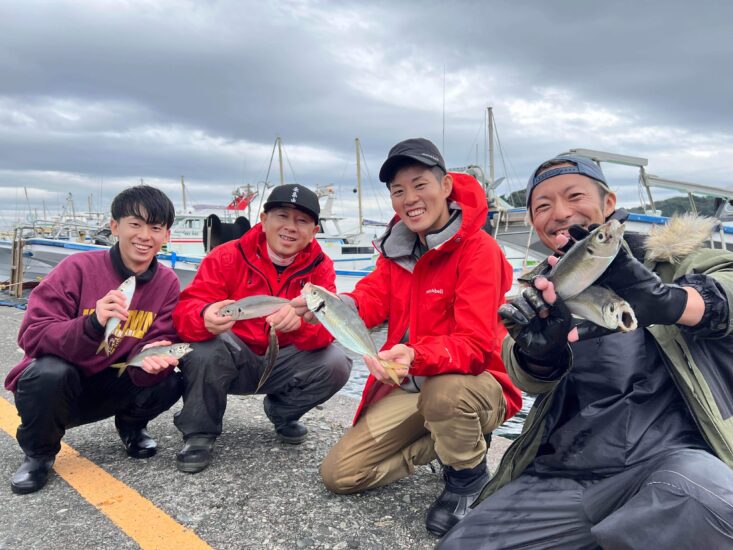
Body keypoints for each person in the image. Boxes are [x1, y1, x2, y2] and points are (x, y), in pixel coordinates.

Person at [439, 155, 733, 548]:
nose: (560, 213)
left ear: (609, 204)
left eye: (574, 196)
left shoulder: (677, 264)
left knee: (705, 500)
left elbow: (726, 290)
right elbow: (522, 371)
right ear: (532, 223)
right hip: (565, 472)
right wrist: (539, 352)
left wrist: (670, 302)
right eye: (542, 206)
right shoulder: (537, 290)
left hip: (668, 462)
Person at [295, 138, 522, 537]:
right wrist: (327, 306)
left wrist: (413, 356)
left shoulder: (479, 250)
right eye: (398, 191)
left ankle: (467, 478)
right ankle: (441, 439)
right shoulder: (398, 250)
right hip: (414, 382)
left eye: (420, 185)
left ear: (446, 186)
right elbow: (370, 298)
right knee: (341, 475)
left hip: (477, 383)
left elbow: (473, 346)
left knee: (446, 394)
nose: (409, 198)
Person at [5, 185, 184, 495]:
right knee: (49, 372)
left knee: (172, 379)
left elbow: (160, 337)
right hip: (63, 386)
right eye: (135, 224)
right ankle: (39, 454)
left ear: (166, 235)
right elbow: (33, 335)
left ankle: (131, 426)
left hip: (114, 381)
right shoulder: (77, 269)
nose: (145, 235)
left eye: (155, 228)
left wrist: (155, 358)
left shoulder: (167, 282)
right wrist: (92, 322)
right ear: (114, 226)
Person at [172, 184, 352, 474]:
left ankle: (282, 413)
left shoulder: (321, 266)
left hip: (281, 358)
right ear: (264, 219)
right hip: (233, 356)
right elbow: (186, 310)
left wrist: (302, 325)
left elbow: (329, 332)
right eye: (282, 216)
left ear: (314, 230)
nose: (291, 228)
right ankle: (199, 433)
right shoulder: (226, 256)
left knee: (337, 363)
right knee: (202, 348)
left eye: (302, 221)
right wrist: (205, 315)